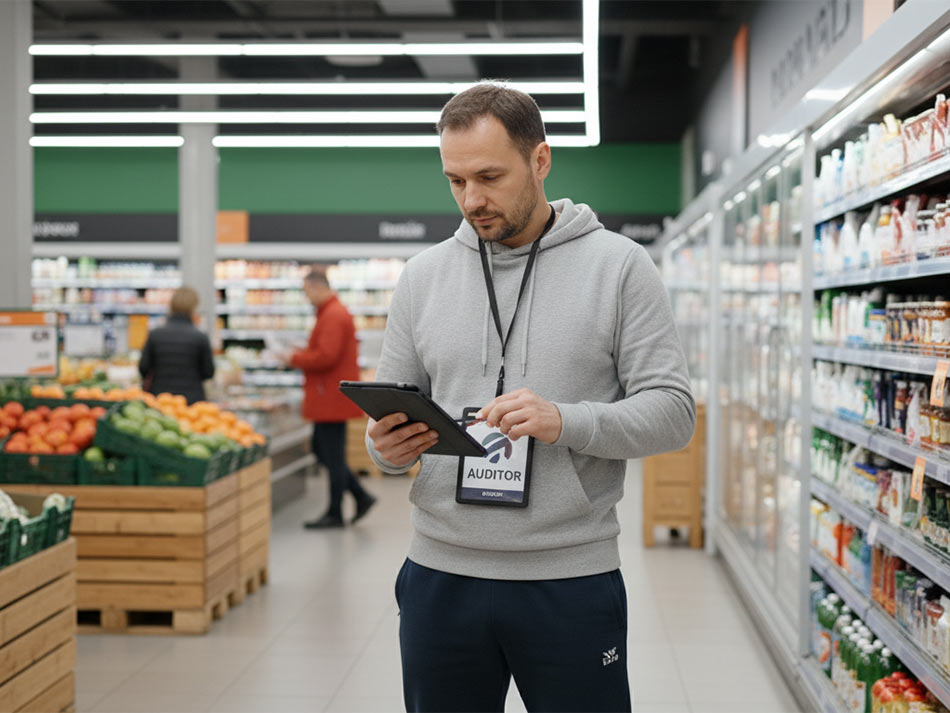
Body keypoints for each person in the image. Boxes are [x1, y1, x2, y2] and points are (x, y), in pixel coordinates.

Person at [365, 83, 696, 712]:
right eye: (455, 181)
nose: (472, 200)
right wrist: (384, 447)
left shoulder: (620, 268)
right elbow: (395, 414)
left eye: (489, 176)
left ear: (540, 161)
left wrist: (562, 420)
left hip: (567, 578)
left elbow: (674, 413)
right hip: (440, 573)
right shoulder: (422, 278)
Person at [288, 267, 376, 529]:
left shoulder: (334, 315)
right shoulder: (330, 312)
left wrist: (292, 358)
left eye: (306, 292)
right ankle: (360, 496)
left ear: (317, 286)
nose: (307, 298)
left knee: (332, 454)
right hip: (327, 395)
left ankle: (337, 511)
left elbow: (326, 357)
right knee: (322, 449)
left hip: (329, 396)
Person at [138, 286, 215, 405]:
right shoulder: (200, 337)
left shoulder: (155, 335)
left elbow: (143, 367)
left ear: (171, 305)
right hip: (192, 401)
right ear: (193, 307)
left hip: (160, 398)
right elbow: (208, 372)